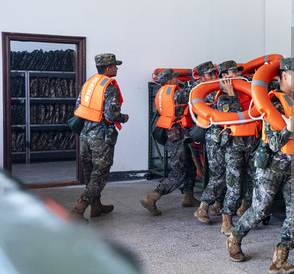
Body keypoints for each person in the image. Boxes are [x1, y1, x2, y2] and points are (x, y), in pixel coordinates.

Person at [227, 58, 294, 274]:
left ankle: (280, 259)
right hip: (272, 166)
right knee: (260, 210)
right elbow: (274, 143)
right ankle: (234, 238)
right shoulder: (272, 102)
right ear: (284, 76)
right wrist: (288, 130)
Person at [70, 53, 129, 221]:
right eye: (115, 66)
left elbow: (78, 107)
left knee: (90, 173)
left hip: (85, 135)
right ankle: (79, 209)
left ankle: (96, 206)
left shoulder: (89, 83)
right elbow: (111, 114)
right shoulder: (110, 87)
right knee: (100, 174)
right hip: (101, 137)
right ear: (108, 68)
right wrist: (122, 117)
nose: (117, 68)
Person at [140, 69, 199, 215]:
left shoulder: (162, 91)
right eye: (174, 78)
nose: (177, 79)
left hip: (172, 132)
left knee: (190, 165)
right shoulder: (177, 93)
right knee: (179, 171)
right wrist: (202, 80)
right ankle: (152, 198)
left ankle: (188, 197)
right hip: (177, 134)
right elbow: (194, 91)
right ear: (169, 81)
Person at [214, 60, 258, 235]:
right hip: (234, 146)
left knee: (253, 180)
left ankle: (245, 210)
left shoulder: (250, 91)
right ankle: (227, 219)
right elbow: (234, 116)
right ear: (225, 77)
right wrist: (232, 93)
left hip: (252, 142)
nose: (238, 74)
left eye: (238, 71)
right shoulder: (223, 97)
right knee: (234, 185)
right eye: (233, 72)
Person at [194, 61, 226, 223]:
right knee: (218, 174)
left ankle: (217, 204)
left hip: (225, 137)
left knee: (224, 173)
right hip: (215, 138)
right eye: (210, 74)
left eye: (215, 73)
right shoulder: (204, 92)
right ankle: (203, 207)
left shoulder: (217, 89)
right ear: (201, 78)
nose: (214, 76)